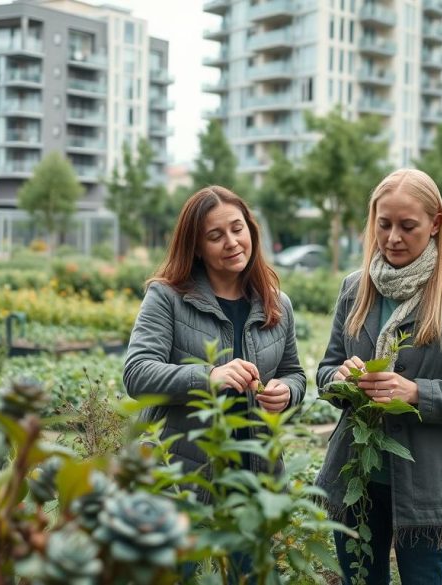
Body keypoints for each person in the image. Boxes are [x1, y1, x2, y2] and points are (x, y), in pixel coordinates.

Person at [315, 168, 442, 585]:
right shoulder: (356, 288)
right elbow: (326, 370)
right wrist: (341, 378)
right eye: (383, 225)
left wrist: (417, 392)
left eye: (408, 226)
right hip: (357, 474)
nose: (392, 238)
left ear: (435, 223)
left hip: (427, 480)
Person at [122, 186, 306, 579]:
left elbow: (295, 372)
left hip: (255, 480)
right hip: (184, 481)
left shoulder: (276, 302)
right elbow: (136, 373)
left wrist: (287, 392)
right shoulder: (167, 297)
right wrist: (209, 376)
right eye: (215, 235)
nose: (231, 242)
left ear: (251, 232)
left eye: (237, 228)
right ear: (196, 247)